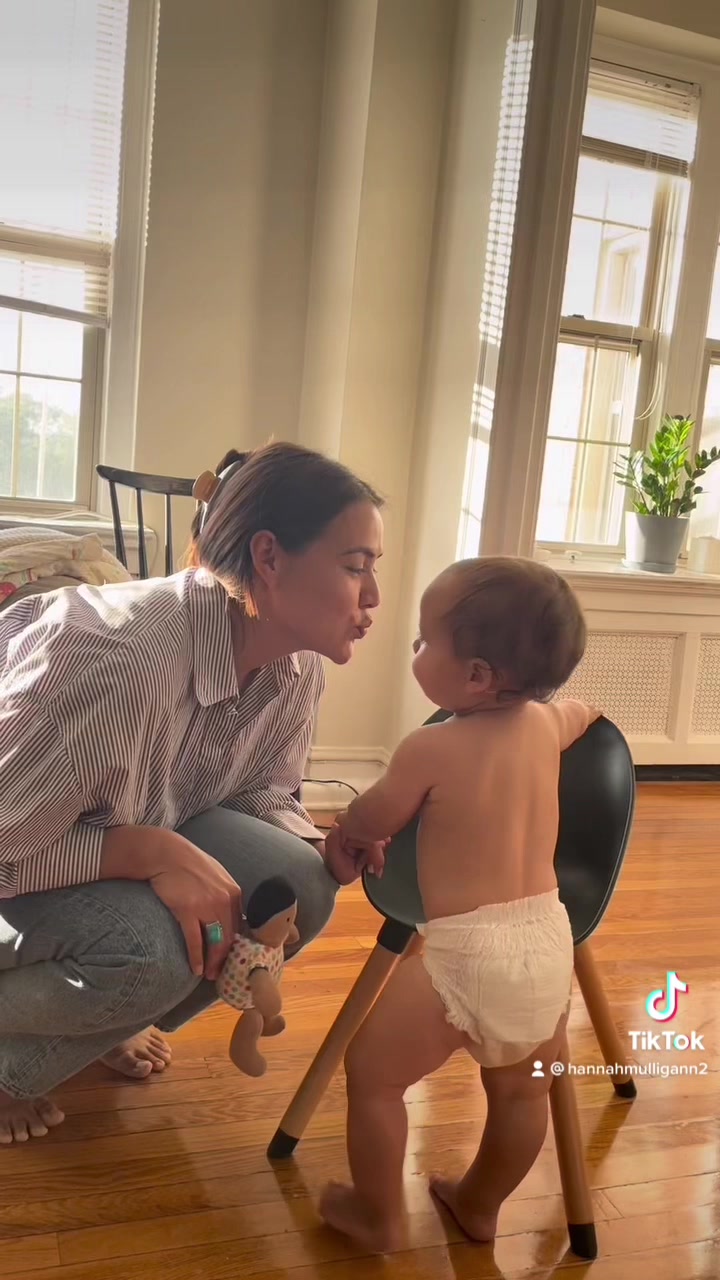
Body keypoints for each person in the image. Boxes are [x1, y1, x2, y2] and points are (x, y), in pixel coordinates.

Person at [0, 441, 384, 1143]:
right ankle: (9, 1070)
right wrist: (149, 852)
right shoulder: (117, 661)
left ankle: (100, 1023)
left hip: (71, 839)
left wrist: (324, 843)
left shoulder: (295, 667)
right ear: (269, 558)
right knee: (146, 953)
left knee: (299, 882)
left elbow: (258, 794)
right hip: (13, 849)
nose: (374, 598)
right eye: (356, 566)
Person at [319, 557, 599, 1253]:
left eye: (423, 640)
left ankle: (379, 1215)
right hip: (547, 941)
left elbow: (374, 816)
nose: (413, 648)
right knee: (522, 1094)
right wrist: (587, 710)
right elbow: (580, 713)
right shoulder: (545, 724)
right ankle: (479, 1203)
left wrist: (349, 830)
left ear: (476, 675)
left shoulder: (431, 747)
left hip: (467, 955)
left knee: (373, 1077)